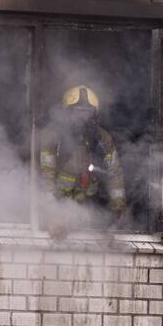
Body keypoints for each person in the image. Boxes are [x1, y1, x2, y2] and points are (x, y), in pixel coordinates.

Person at [39, 85, 126, 238]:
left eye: (88, 112)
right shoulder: (53, 136)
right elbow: (45, 175)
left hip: (88, 204)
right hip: (58, 203)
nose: (83, 118)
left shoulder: (102, 138)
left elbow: (115, 173)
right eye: (78, 111)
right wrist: (53, 212)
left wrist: (117, 208)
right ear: (67, 113)